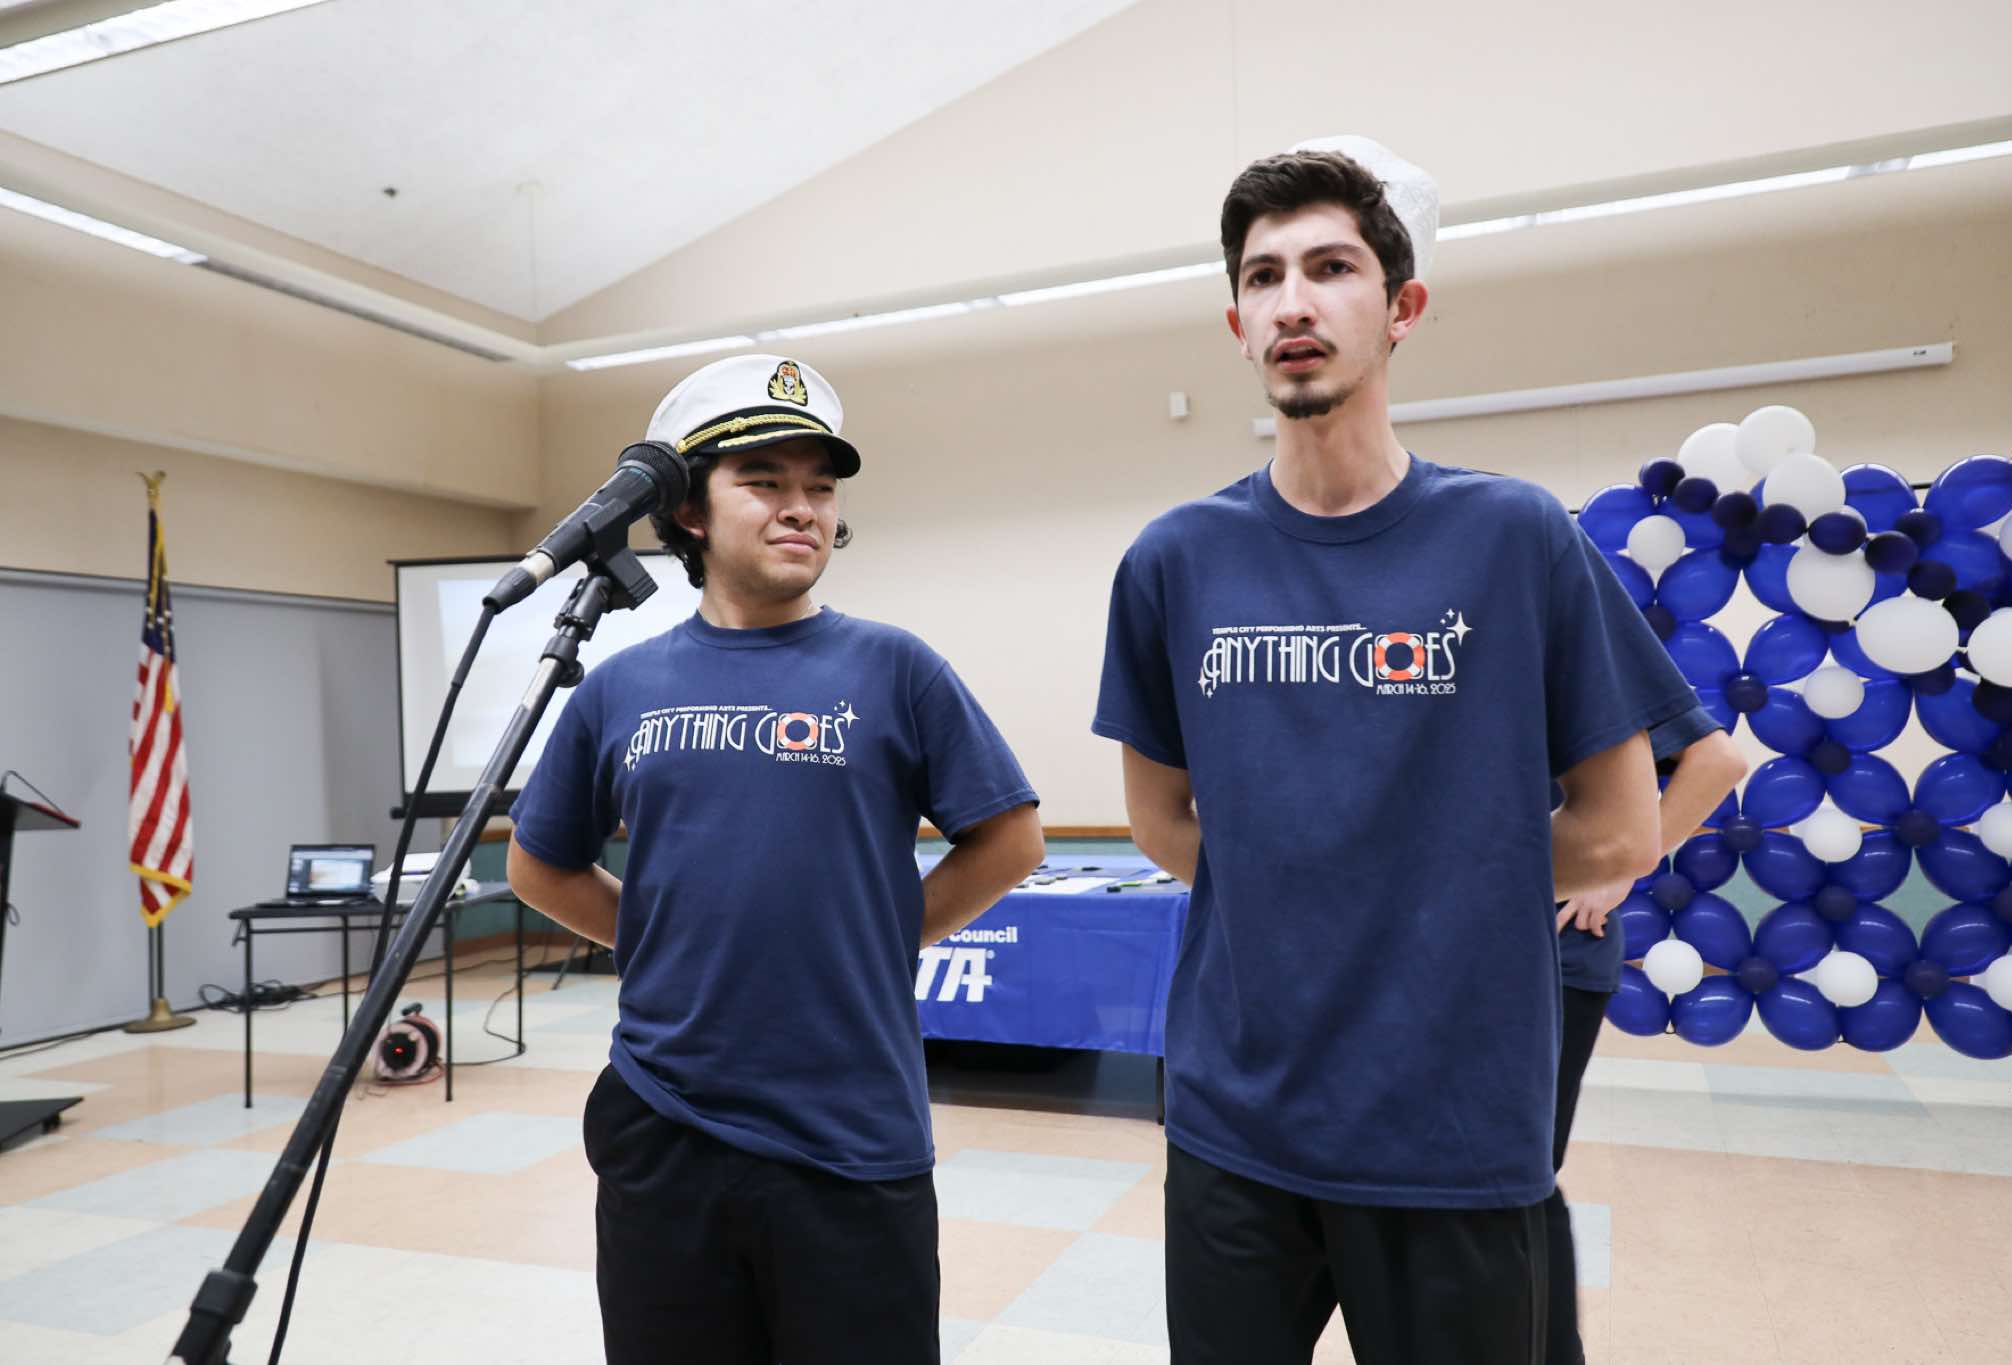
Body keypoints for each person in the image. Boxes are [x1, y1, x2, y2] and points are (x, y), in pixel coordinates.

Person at [1092, 137, 1702, 1364]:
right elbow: (1160, 820)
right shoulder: (1174, 561)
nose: (1293, 302)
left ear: (1402, 307)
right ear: (1235, 324)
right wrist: (1316, 887)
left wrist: (1417, 886)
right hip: (1231, 1128)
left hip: (1452, 1130)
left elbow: (1620, 830)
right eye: (1262, 277)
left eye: (1330, 269)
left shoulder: (1513, 538)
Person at [506, 354, 1044, 1365]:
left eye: (819, 487)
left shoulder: (895, 667)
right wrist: (660, 939)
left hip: (849, 1132)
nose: (801, 508)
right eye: (763, 481)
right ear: (690, 512)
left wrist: (884, 937)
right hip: (666, 1119)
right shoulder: (621, 687)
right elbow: (540, 865)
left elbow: (1009, 840)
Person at [1547, 718, 1745, 1364]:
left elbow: (1717, 761)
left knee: (1518, 1183)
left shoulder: (1571, 658)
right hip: (1448, 959)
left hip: (1555, 958)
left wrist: (1618, 873)